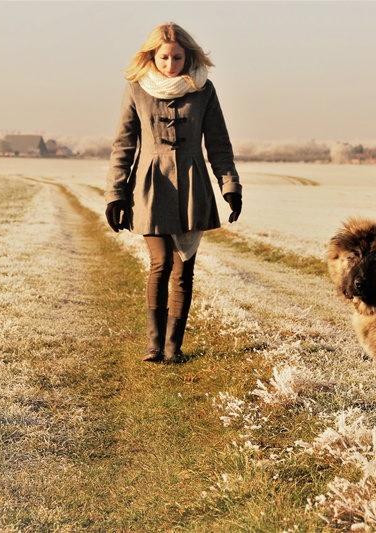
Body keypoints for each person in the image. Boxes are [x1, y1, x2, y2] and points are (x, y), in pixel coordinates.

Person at [104, 23, 242, 363]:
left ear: (188, 55)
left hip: (193, 188)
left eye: (177, 57)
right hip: (149, 188)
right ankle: (154, 344)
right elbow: (123, 144)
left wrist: (230, 186)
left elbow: (219, 143)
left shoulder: (204, 90)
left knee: (184, 269)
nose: (170, 65)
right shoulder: (137, 89)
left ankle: (173, 347)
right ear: (152, 55)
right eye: (164, 57)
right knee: (161, 262)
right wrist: (116, 193)